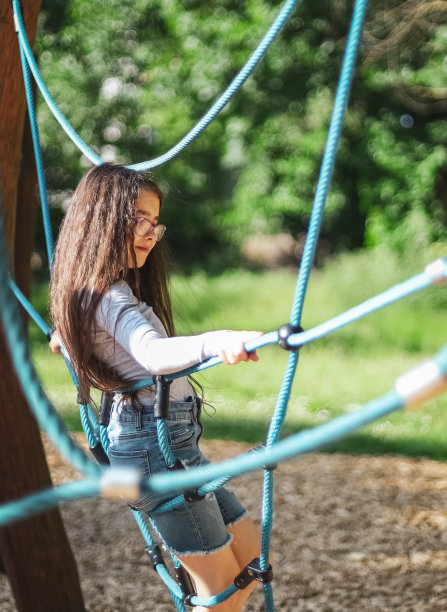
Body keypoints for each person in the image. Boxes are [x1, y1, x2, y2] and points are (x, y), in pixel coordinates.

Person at [50, 163, 265, 611]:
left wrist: (65, 339)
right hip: (151, 450)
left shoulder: (97, 293)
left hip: (172, 447)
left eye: (155, 222)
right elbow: (151, 354)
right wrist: (218, 341)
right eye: (138, 220)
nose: (150, 232)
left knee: (251, 556)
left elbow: (97, 340)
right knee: (220, 589)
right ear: (100, 221)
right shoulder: (105, 294)